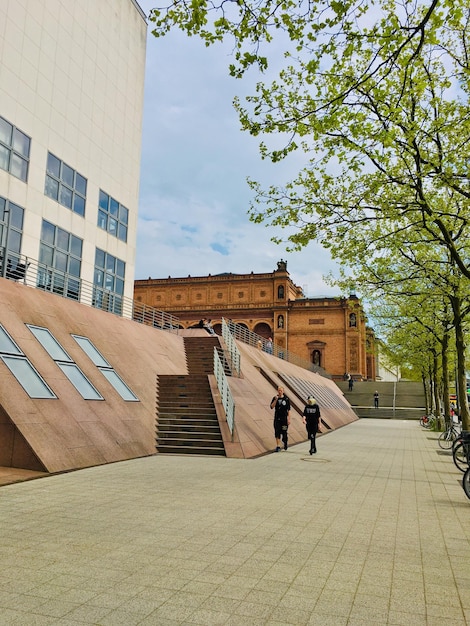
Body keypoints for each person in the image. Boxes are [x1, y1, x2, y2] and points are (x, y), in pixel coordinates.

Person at [270, 386, 291, 451]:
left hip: (284, 419)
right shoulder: (275, 398)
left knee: (284, 431)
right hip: (277, 419)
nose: (280, 392)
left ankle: (285, 442)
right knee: (277, 432)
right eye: (279, 390)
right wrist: (276, 400)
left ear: (283, 391)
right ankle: (278, 446)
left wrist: (289, 419)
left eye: (281, 390)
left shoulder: (286, 399)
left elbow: (289, 410)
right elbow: (271, 407)